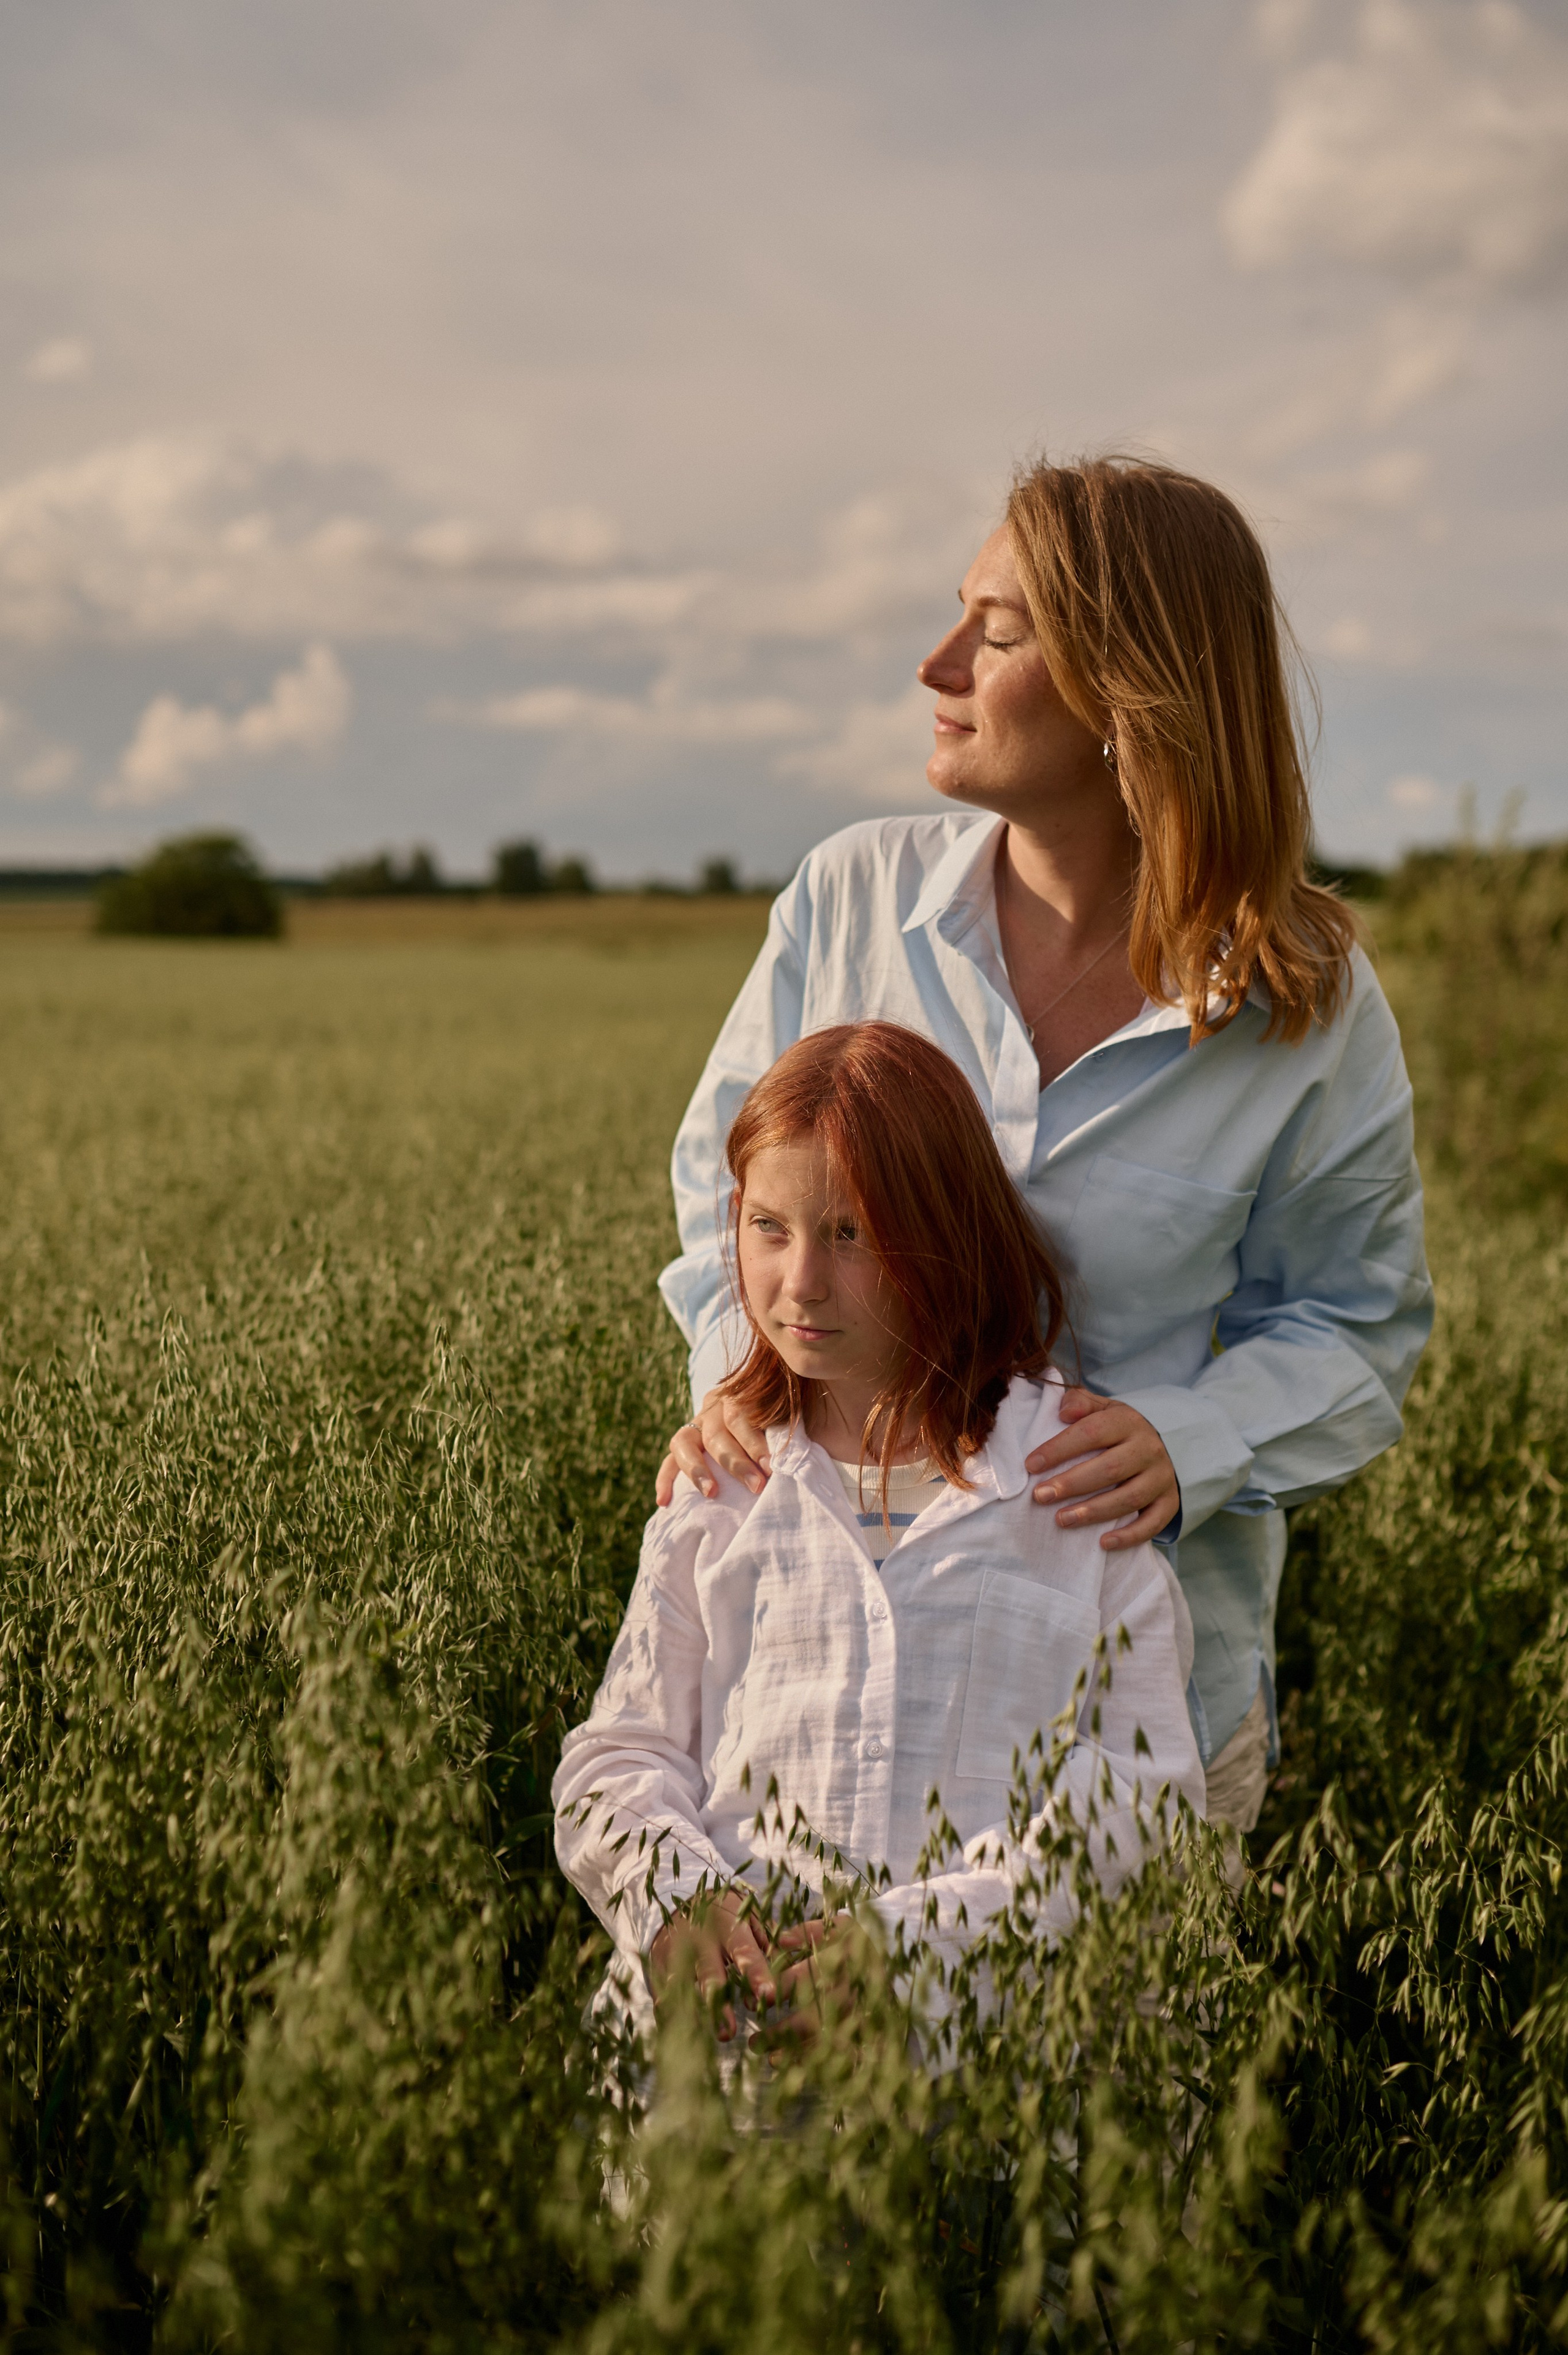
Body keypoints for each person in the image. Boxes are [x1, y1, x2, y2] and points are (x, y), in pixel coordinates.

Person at [656, 455, 1433, 1834]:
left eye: (998, 632)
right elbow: (716, 1201)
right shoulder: (847, 901)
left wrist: (1188, 1440)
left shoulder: (1302, 1004)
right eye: (956, 612)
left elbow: (1356, 1325)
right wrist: (741, 1378)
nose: (935, 661)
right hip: (826, 1678)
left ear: (1130, 694)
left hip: (1131, 1711)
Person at [554, 1023, 1204, 2037]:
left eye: (851, 1235)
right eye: (769, 1228)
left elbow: (1140, 1814)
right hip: (719, 2086)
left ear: (946, 1235)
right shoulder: (722, 1487)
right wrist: (678, 1899)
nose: (801, 1282)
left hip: (982, 2091)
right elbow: (617, 1759)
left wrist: (908, 1956)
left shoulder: (1070, 1485)